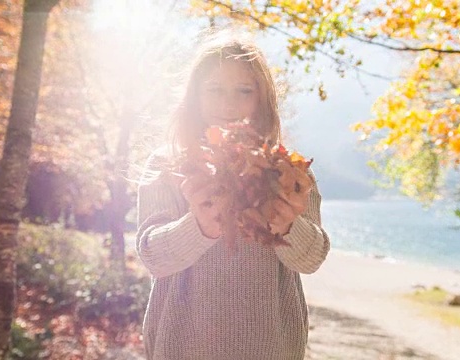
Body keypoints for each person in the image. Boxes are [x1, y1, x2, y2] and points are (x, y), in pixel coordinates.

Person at [136, 30, 330, 360]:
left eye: (244, 91)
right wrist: (199, 226)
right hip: (183, 346)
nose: (229, 103)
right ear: (194, 98)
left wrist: (289, 227)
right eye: (214, 90)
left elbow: (311, 260)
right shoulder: (168, 165)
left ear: (262, 100)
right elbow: (153, 257)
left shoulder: (288, 172)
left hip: (271, 347)